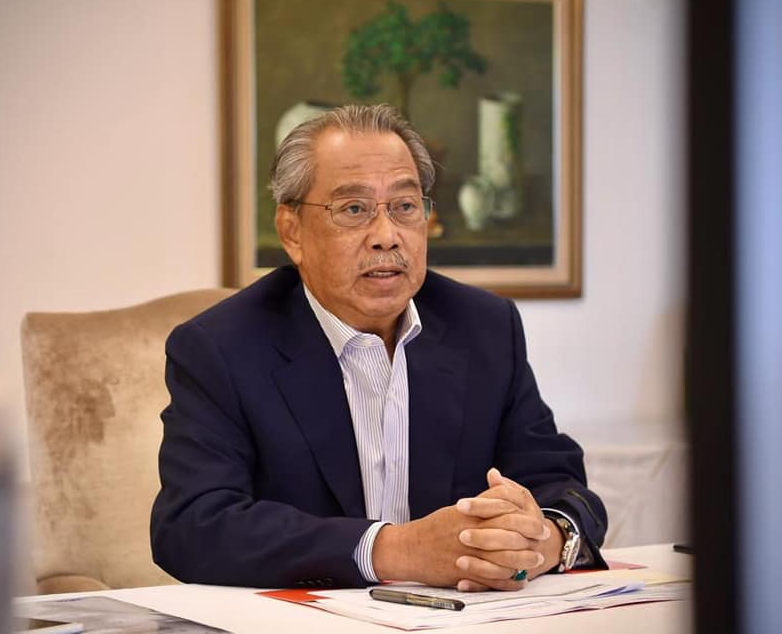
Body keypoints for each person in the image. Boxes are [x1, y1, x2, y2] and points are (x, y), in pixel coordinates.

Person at [151, 104, 607, 591]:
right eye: (354, 209)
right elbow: (193, 526)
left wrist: (544, 540)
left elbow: (558, 480)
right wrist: (396, 550)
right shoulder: (221, 348)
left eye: (405, 207)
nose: (387, 237)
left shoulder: (484, 328)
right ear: (291, 232)